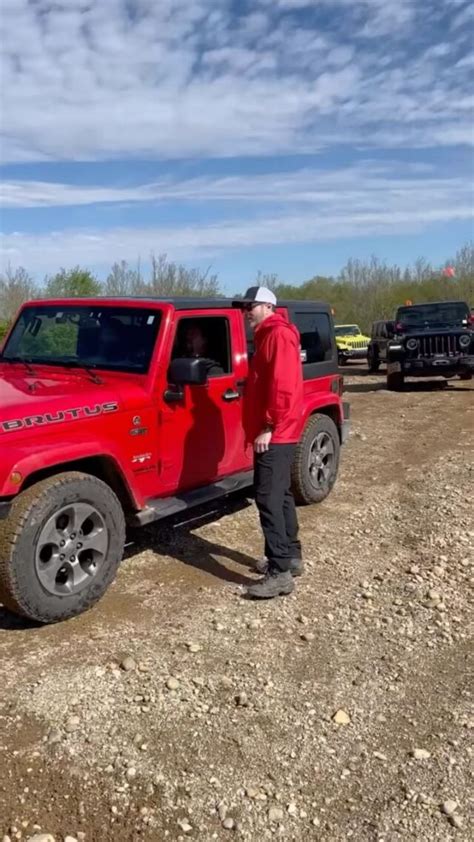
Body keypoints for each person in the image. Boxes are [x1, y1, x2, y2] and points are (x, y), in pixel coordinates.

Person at [233, 286, 304, 598]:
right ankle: (291, 557)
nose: (246, 311)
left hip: (278, 431)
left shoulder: (277, 336)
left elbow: (283, 386)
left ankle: (279, 573)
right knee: (282, 493)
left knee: (268, 498)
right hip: (280, 430)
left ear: (266, 306)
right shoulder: (267, 335)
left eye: (251, 306)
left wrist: (269, 427)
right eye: (245, 307)